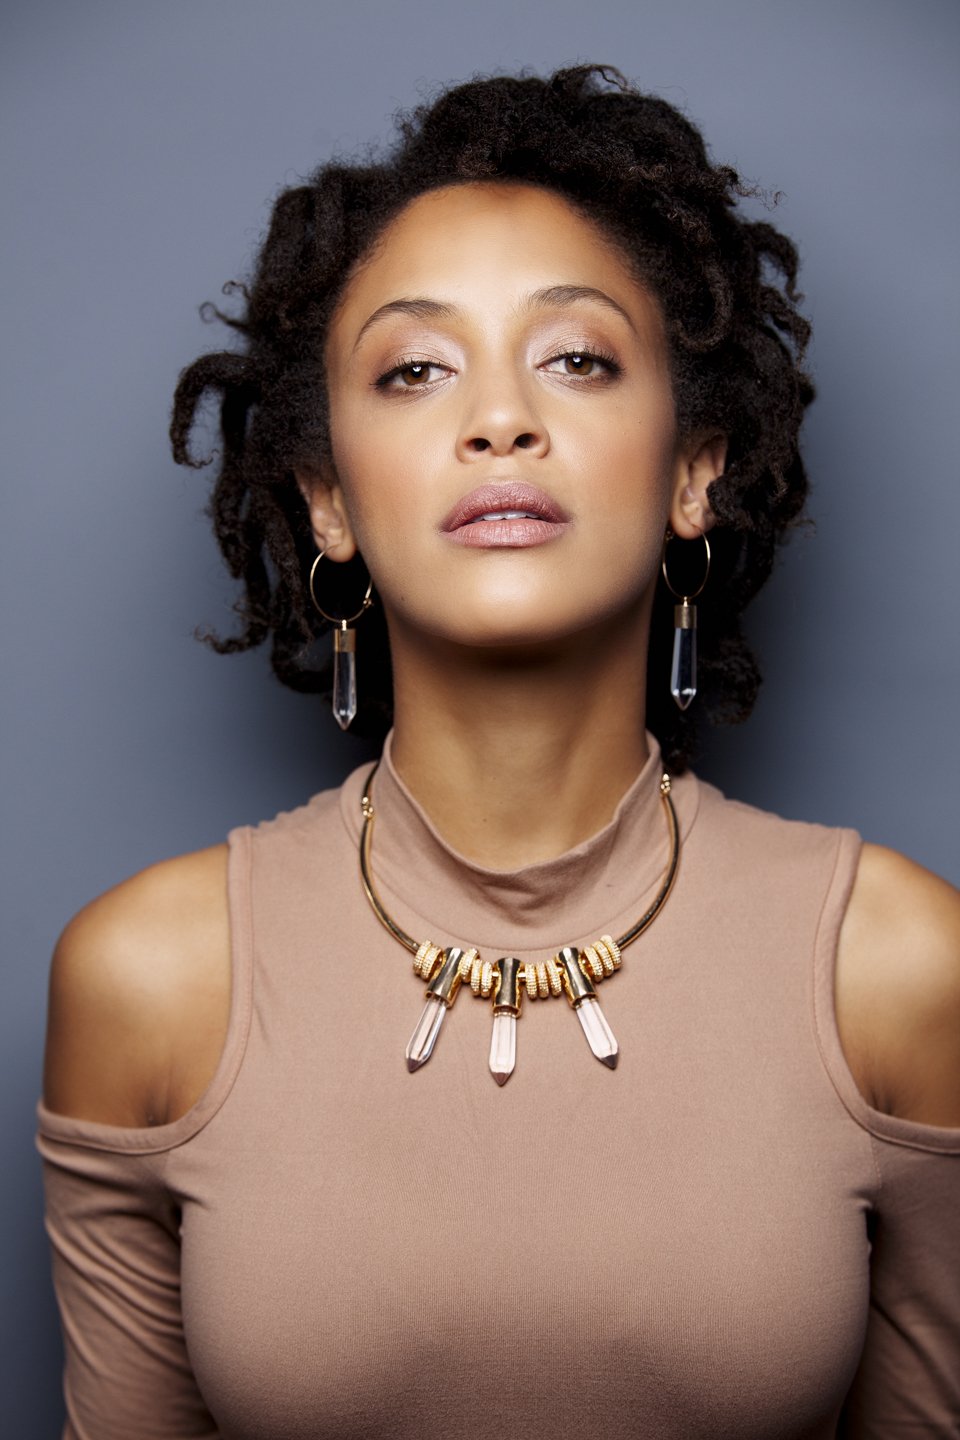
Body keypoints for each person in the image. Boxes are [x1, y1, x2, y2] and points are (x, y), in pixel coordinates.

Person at [39, 66, 959, 1439]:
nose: (500, 420)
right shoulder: (148, 981)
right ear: (330, 497)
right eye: (415, 370)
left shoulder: (898, 967)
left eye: (577, 358)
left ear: (694, 468)